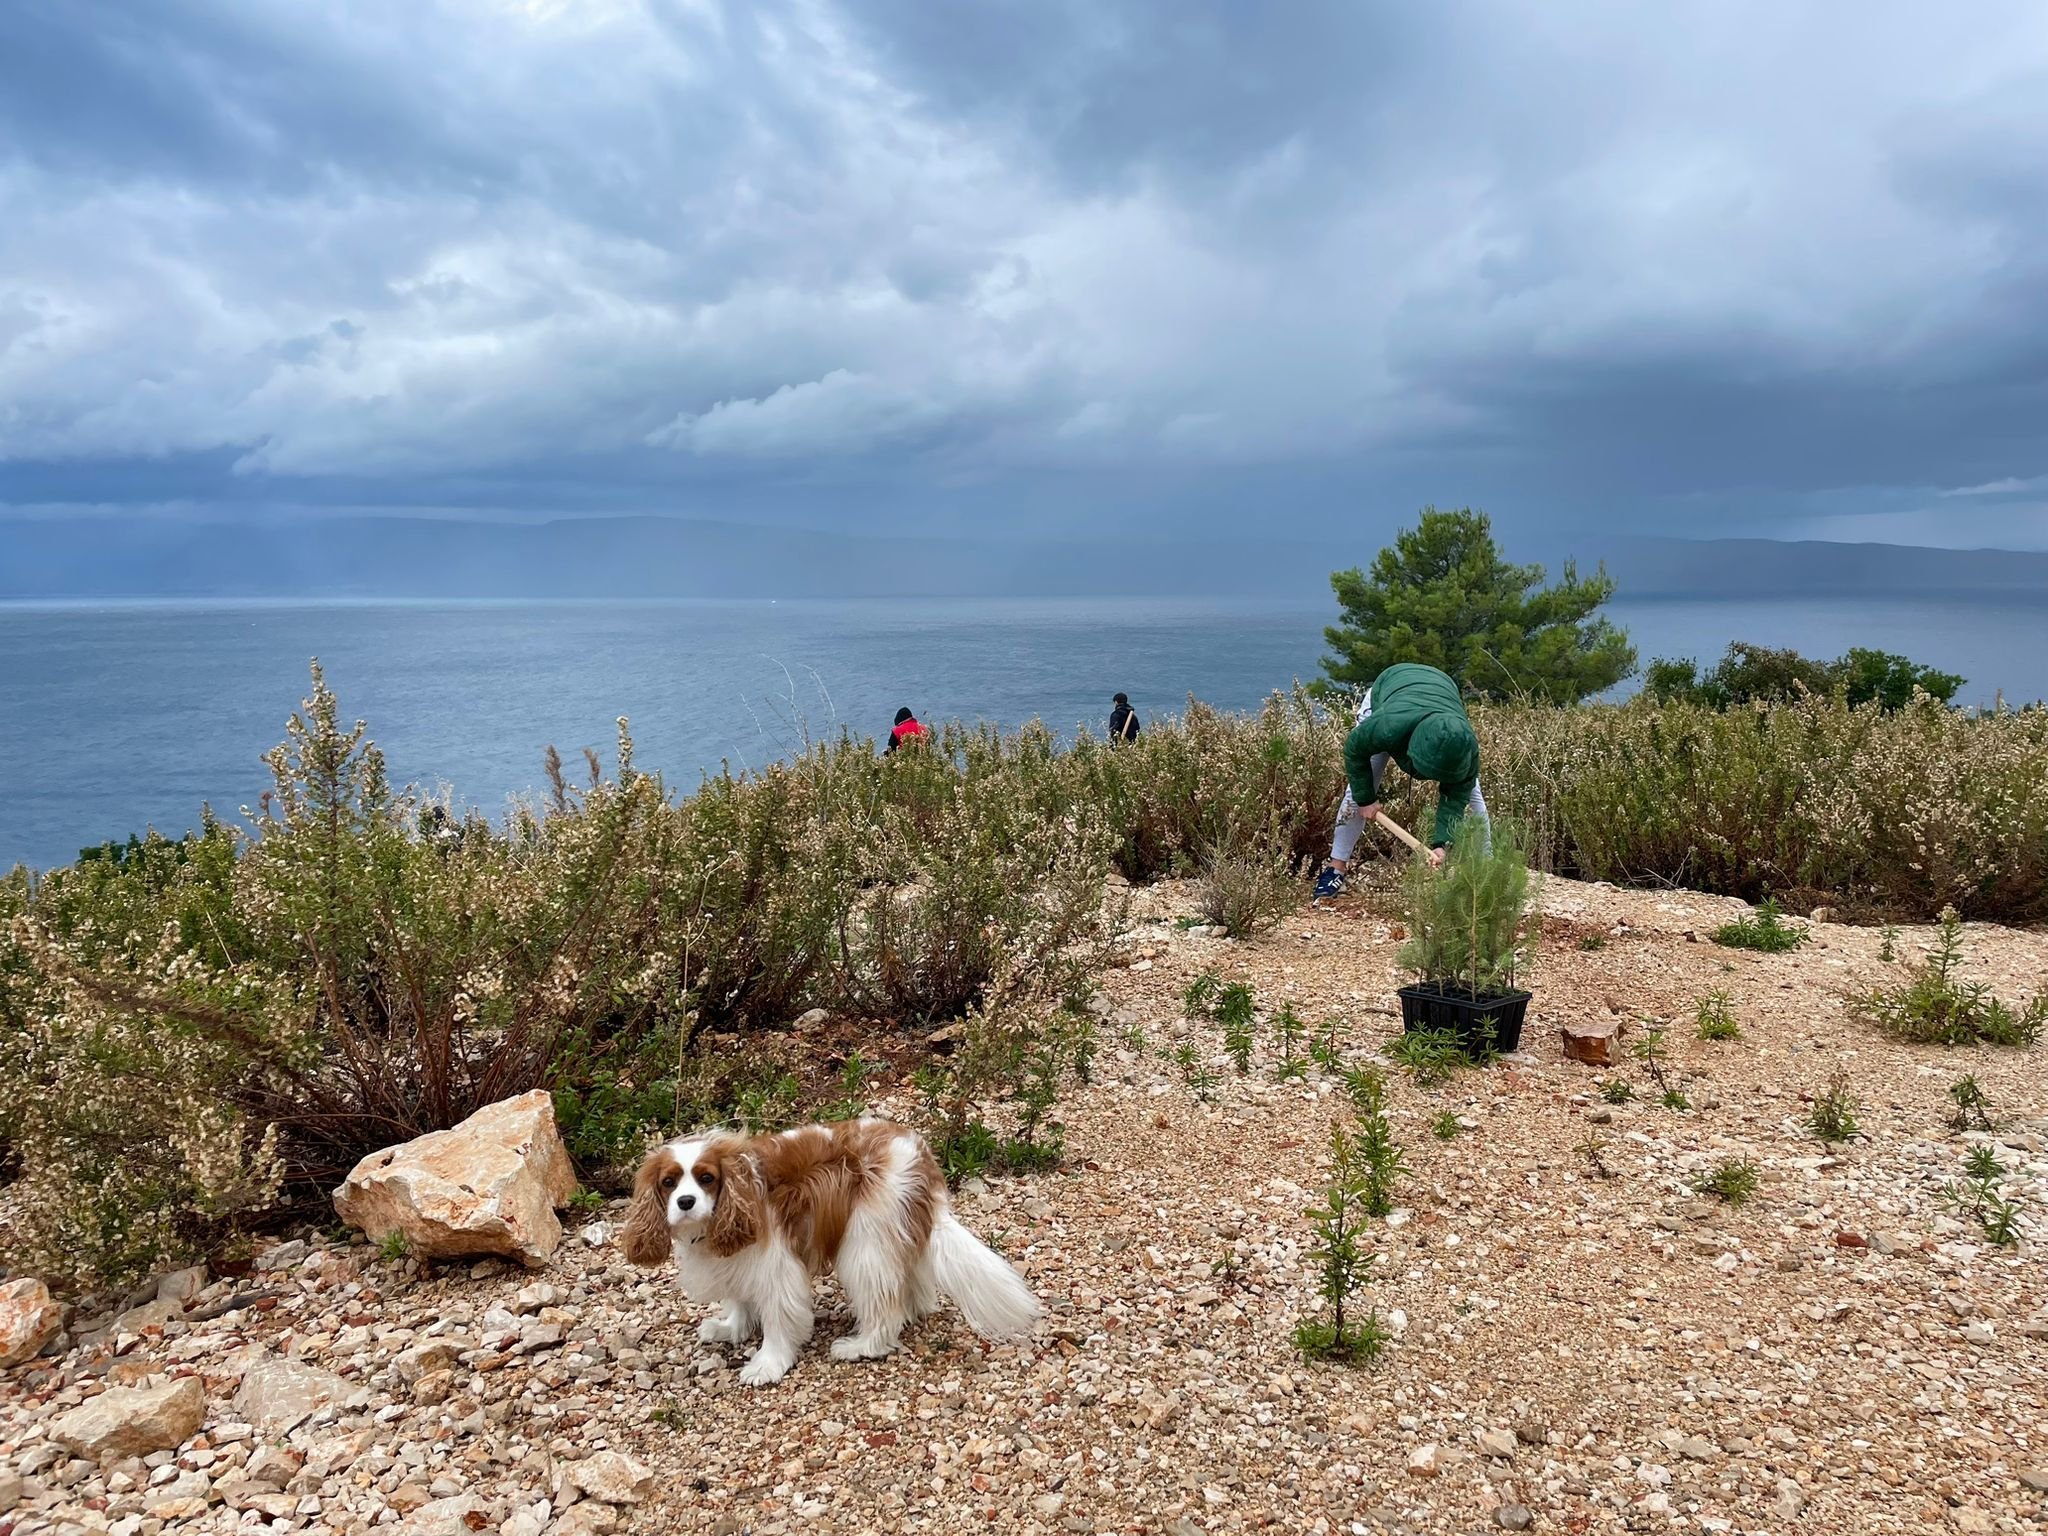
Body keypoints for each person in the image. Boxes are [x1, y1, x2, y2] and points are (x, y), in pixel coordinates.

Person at [1313, 662, 1489, 897]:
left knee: (1473, 796)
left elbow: (1455, 797)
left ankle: (1489, 869)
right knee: (1356, 793)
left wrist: (1441, 843)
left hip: (1440, 690)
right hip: (1391, 688)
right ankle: (1336, 868)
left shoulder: (1464, 747)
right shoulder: (1386, 726)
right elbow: (1355, 751)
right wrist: (1365, 798)